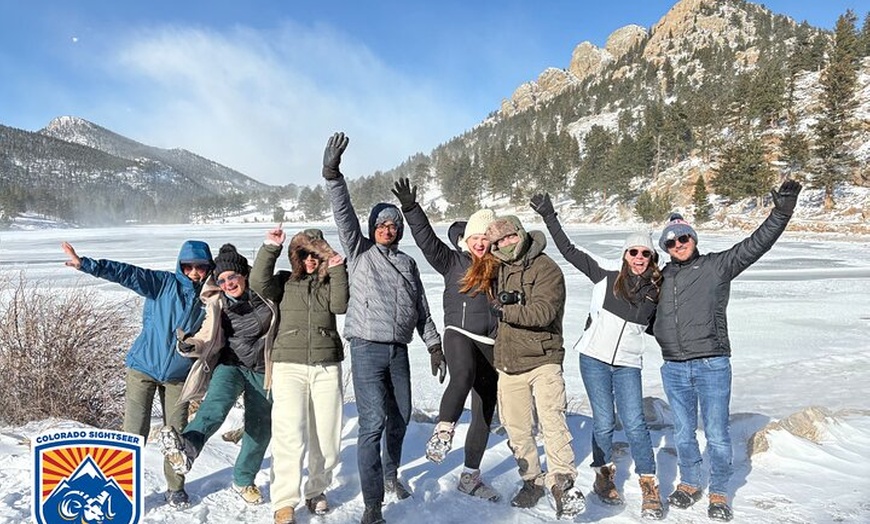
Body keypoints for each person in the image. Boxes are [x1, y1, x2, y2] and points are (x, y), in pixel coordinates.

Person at [654, 180, 802, 522]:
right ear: (666, 247)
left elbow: (756, 244)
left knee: (718, 433)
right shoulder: (660, 278)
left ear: (693, 239)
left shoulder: (717, 266)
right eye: (672, 241)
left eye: (684, 238)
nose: (678, 244)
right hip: (674, 366)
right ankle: (690, 482)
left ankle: (719, 489)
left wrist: (781, 212)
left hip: (711, 364)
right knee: (683, 431)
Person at [321, 132, 443, 524]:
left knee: (401, 415)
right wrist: (332, 173)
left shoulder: (407, 263)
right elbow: (344, 214)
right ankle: (372, 505)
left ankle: (391, 474)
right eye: (382, 224)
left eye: (393, 225)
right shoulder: (359, 253)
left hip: (399, 351)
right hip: (366, 347)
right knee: (372, 423)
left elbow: (421, 307)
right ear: (372, 228)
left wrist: (434, 345)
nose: (387, 229)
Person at [530, 193, 665, 519]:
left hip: (628, 363)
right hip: (593, 358)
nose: (639, 257)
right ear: (625, 254)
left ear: (652, 257)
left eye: (645, 253)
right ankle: (604, 476)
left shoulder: (657, 289)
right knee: (603, 421)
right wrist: (550, 215)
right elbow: (569, 251)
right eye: (633, 251)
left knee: (634, 423)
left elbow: (666, 320)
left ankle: (649, 484)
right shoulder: (605, 275)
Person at [61, 239, 213, 509]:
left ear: (207, 267)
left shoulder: (211, 297)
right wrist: (86, 265)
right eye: (188, 266)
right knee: (133, 433)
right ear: (180, 265)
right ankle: (119, 488)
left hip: (179, 375)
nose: (193, 272)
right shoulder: (163, 284)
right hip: (143, 367)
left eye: (199, 267)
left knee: (176, 435)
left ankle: (175, 489)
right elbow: (127, 273)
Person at [391, 178, 501, 502]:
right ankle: (443, 431)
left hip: (492, 343)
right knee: (462, 374)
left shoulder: (499, 268)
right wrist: (411, 208)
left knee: (484, 410)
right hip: (458, 334)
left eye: (486, 238)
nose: (480, 243)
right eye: (476, 238)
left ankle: (470, 477)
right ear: (467, 239)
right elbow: (426, 240)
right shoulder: (452, 261)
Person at [158, 243, 277, 506]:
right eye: (222, 279)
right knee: (215, 407)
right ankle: (187, 448)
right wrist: (192, 345)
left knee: (260, 429)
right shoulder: (216, 301)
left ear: (243, 274)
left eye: (231, 277)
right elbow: (206, 332)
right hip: (231, 364)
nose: (227, 283)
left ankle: (243, 480)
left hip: (262, 369)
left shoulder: (267, 293)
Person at [485, 215, 585, 519]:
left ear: (521, 234)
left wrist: (506, 309)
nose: (506, 244)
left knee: (552, 422)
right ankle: (532, 481)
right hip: (509, 361)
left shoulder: (546, 268)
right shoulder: (497, 269)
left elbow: (543, 312)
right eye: (498, 242)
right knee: (517, 429)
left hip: (544, 359)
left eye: (510, 237)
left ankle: (562, 484)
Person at [248, 225, 348, 524]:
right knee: (289, 434)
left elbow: (340, 306)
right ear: (297, 255)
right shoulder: (283, 282)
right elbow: (257, 282)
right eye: (304, 254)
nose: (310, 260)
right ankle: (284, 502)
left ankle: (316, 490)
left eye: (316, 255)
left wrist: (338, 269)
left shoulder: (330, 283)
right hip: (288, 365)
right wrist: (270, 247)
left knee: (327, 437)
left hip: (326, 363)